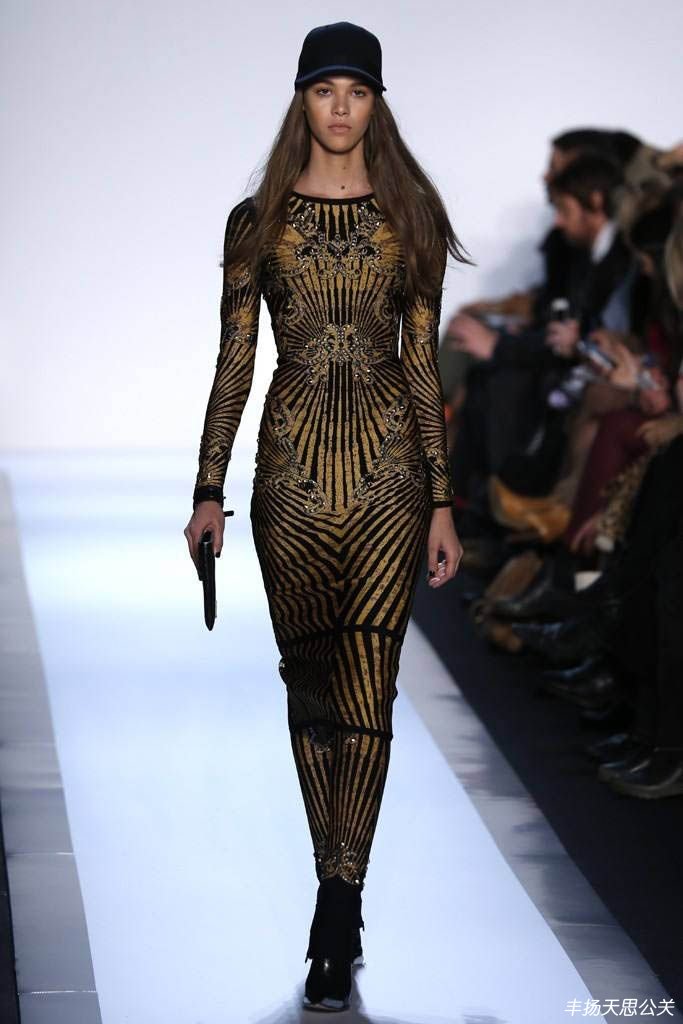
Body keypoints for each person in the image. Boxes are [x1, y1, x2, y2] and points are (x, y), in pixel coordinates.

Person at [182, 20, 470, 1012]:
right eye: (324, 90)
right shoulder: (255, 221)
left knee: (368, 691)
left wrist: (440, 501)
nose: (340, 107)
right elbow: (234, 362)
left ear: (376, 103)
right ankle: (329, 871)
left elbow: (422, 364)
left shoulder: (411, 216)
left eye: (357, 91)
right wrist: (207, 489)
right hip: (291, 482)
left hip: (390, 478)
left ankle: (338, 905)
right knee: (310, 692)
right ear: (301, 98)